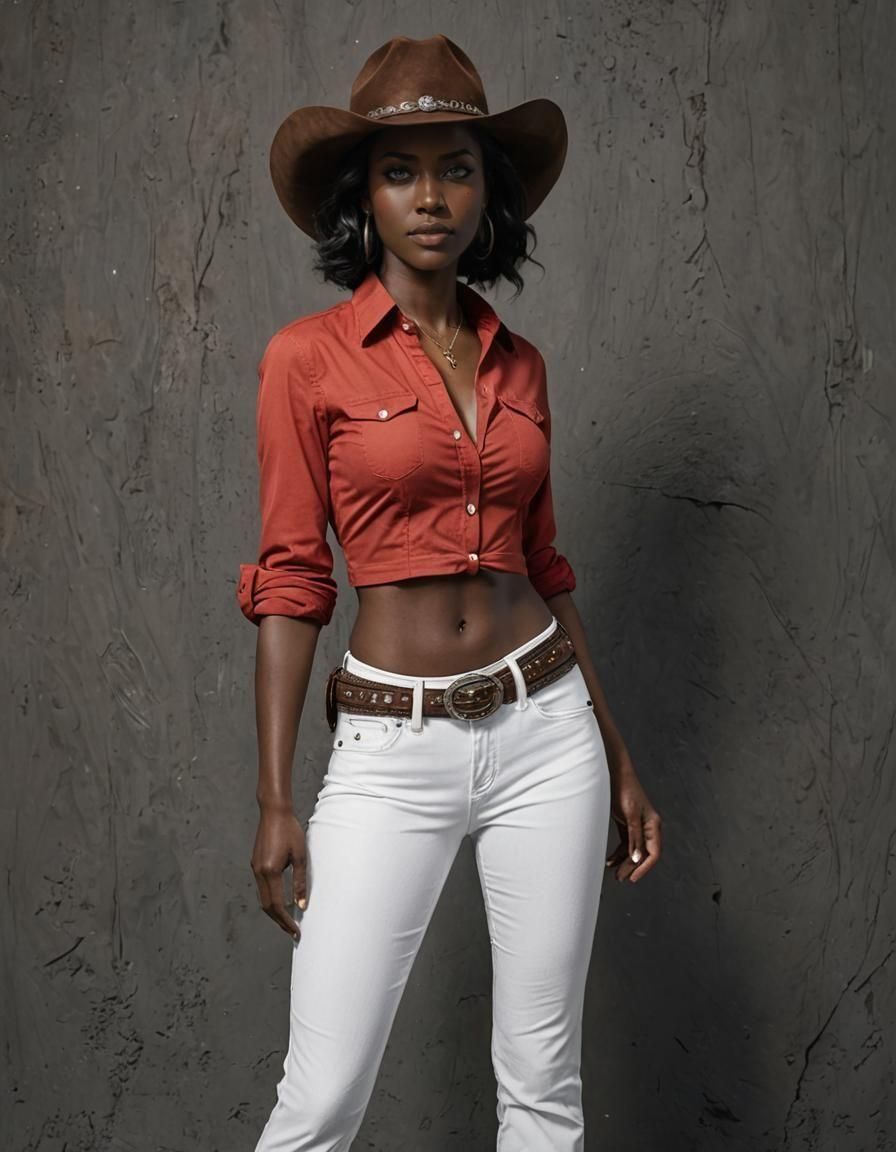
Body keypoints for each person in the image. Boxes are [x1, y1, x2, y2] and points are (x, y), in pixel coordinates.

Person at [237, 32, 662, 1152]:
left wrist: (616, 755)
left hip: (548, 733)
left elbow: (547, 570)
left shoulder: (520, 364)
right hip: (392, 749)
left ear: (488, 191)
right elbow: (292, 580)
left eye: (456, 169)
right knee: (320, 1100)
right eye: (399, 171)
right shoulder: (306, 360)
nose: (430, 198)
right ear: (362, 197)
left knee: (543, 1089)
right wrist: (276, 797)